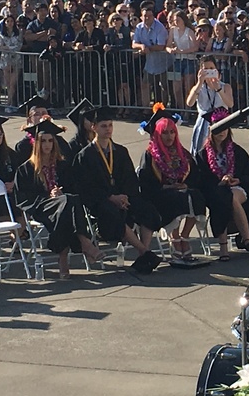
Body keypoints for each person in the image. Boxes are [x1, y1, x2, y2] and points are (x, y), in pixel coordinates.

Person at [72, 105, 162, 273]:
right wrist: (111, 197)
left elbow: (130, 180)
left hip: (124, 198)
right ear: (94, 127)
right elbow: (86, 187)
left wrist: (125, 196)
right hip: (100, 202)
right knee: (111, 212)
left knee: (147, 209)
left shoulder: (120, 151)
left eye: (110, 125)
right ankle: (144, 252)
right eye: (103, 126)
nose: (108, 129)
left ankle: (144, 254)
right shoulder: (84, 156)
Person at [13, 119, 104, 278]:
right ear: (36, 144)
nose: (47, 145)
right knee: (70, 202)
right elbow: (23, 197)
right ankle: (86, 244)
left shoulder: (62, 164)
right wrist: (49, 196)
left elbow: (73, 186)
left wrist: (60, 194)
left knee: (69, 202)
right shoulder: (26, 169)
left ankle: (63, 258)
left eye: (50, 141)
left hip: (63, 206)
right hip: (41, 207)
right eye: (43, 141)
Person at [137, 107, 205, 264]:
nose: (169, 136)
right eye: (165, 133)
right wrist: (167, 187)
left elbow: (195, 175)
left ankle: (185, 236)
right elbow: (146, 182)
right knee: (174, 198)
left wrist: (186, 184)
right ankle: (174, 239)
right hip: (160, 194)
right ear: (157, 135)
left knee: (196, 196)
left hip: (181, 190)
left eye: (172, 132)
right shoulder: (150, 155)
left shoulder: (183, 153)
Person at [195, 108, 249, 261]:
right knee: (223, 198)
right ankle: (246, 239)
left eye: (225, 127)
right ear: (211, 128)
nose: (221, 131)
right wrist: (219, 182)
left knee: (230, 197)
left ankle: (225, 248)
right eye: (218, 127)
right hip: (215, 191)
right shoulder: (202, 155)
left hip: (239, 189)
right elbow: (201, 180)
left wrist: (238, 180)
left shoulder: (237, 151)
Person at [186, 56, 233, 158]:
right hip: (203, 123)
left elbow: (230, 104)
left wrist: (218, 89)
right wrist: (199, 82)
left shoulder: (225, 86)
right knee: (201, 152)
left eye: (211, 69)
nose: (209, 72)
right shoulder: (199, 88)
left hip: (220, 123)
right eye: (206, 69)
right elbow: (189, 103)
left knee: (222, 152)